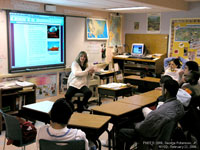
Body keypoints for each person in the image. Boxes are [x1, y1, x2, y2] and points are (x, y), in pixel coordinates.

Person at [116, 79, 185, 150]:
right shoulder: (180, 105)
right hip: (166, 136)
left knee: (122, 131)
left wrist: (135, 124)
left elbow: (142, 129)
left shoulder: (158, 113)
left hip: (151, 137)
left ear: (165, 91)